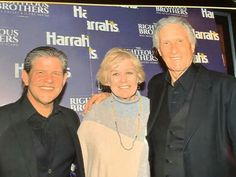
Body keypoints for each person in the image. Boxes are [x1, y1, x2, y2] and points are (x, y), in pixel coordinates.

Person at [84, 16, 236, 177]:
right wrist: (111, 96)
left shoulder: (226, 87)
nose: (173, 50)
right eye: (166, 43)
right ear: (159, 51)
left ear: (192, 46)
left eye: (179, 41)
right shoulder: (155, 85)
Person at [0, 46, 85, 177]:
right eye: (41, 73)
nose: (49, 80)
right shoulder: (3, 119)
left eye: (55, 73)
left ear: (64, 79)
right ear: (25, 77)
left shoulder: (71, 118)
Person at [78, 48, 150, 177]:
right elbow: (82, 159)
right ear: (107, 79)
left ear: (138, 77)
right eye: (115, 74)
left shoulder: (152, 108)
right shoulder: (96, 113)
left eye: (129, 73)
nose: (123, 80)